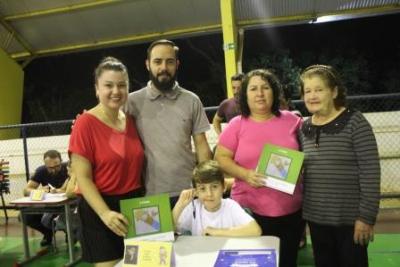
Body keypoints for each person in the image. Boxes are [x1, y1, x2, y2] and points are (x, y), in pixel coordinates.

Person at [215, 69, 304, 267]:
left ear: (274, 91)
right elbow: (221, 158)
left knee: (287, 261)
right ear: (245, 95)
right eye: (253, 89)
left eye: (265, 87)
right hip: (249, 211)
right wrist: (245, 174)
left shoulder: (293, 121)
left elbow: (306, 157)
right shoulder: (236, 125)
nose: (260, 93)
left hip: (290, 210)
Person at [298, 64, 381, 267]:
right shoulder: (303, 127)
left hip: (351, 221)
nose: (312, 96)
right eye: (307, 91)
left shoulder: (355, 122)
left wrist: (366, 217)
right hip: (316, 219)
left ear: (334, 91)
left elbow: (371, 172)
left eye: (319, 89)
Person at [69, 57, 144, 266]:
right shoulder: (84, 124)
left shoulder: (131, 120)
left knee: (137, 262)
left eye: (122, 85)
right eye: (108, 85)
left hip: (133, 203)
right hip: (99, 207)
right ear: (96, 89)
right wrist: (105, 214)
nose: (116, 91)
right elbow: (82, 178)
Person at [125, 39, 212, 204]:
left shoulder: (192, 100)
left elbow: (201, 145)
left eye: (169, 62)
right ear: (147, 64)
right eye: (157, 62)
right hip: (148, 196)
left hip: (188, 193)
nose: (163, 68)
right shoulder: (132, 102)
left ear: (177, 64)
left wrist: (205, 185)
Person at [173, 160, 261, 237]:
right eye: (202, 189)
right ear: (196, 192)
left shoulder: (230, 206)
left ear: (224, 187)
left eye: (214, 187)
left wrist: (216, 232)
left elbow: (256, 230)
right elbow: (168, 232)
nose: (209, 194)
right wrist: (179, 205)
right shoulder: (194, 207)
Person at [23, 149, 69, 246]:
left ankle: (70, 233)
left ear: (61, 161)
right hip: (49, 205)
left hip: (68, 205)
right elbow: (26, 190)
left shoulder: (69, 168)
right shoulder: (41, 171)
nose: (53, 169)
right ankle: (48, 232)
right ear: (45, 165)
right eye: (50, 167)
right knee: (25, 216)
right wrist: (40, 191)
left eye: (57, 166)